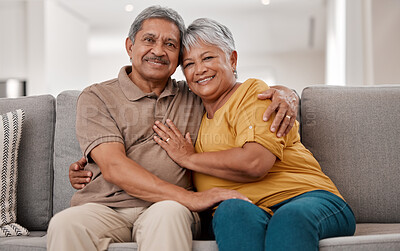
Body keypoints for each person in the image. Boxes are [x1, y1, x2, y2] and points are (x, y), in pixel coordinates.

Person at [49, 5, 299, 251]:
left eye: (170, 44)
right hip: (105, 206)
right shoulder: (96, 96)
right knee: (65, 224)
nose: (158, 50)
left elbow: (237, 91)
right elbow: (114, 167)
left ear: (178, 57)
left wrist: (287, 94)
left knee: (168, 215)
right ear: (130, 46)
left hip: (170, 206)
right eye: (149, 40)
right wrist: (193, 198)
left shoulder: (195, 93)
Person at [151, 18, 356, 251]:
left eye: (208, 57)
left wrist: (189, 158)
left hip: (306, 198)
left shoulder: (253, 94)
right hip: (247, 208)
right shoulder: (193, 110)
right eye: (189, 64)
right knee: (229, 210)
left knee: (289, 219)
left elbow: (255, 163)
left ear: (232, 59)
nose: (199, 70)